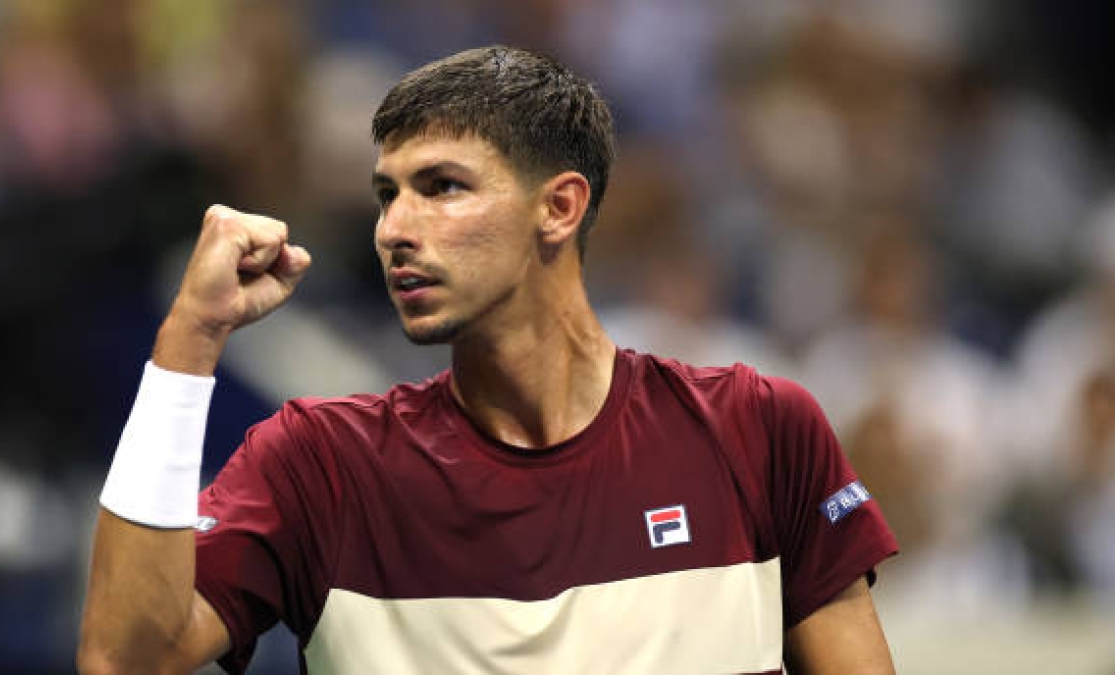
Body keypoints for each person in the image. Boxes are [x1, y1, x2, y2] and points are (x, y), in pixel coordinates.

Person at [78, 46, 898, 674]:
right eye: (386, 194)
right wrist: (188, 339)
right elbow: (124, 657)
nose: (394, 227)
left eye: (440, 187)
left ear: (560, 207)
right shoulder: (320, 467)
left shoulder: (758, 429)